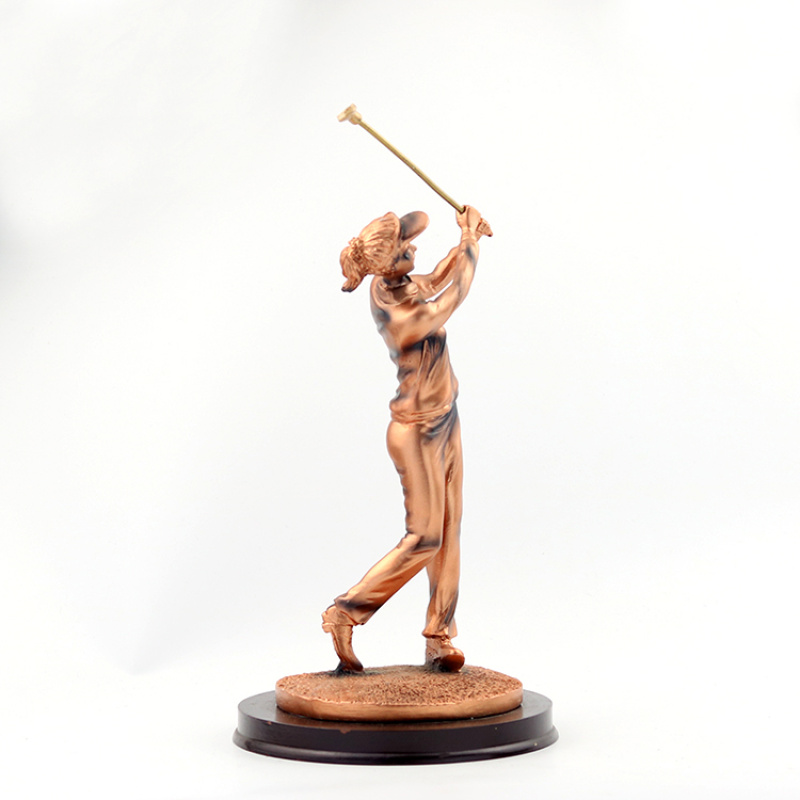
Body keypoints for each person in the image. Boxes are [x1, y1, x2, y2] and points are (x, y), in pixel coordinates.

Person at [322, 205, 489, 673]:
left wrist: (466, 239)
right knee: (425, 538)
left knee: (450, 529)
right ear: (389, 263)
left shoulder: (393, 283)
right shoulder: (399, 313)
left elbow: (435, 277)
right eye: (404, 246)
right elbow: (451, 297)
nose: (413, 245)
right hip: (415, 431)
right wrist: (470, 245)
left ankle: (440, 636)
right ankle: (345, 611)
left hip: (446, 418)